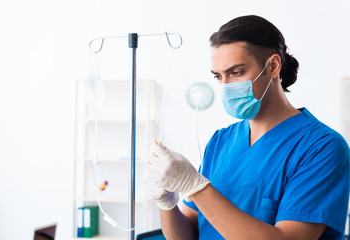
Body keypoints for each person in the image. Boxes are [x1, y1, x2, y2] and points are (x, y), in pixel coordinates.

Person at [144, 15, 350, 240]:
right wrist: (166, 205)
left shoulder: (322, 148)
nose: (226, 86)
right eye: (218, 76)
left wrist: (197, 186)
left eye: (236, 73)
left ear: (273, 66)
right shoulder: (221, 141)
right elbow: (187, 235)